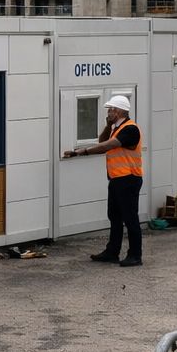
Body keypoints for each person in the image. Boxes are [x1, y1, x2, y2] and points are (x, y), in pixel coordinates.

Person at [63, 94, 144, 268]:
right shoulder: (116, 128)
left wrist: (81, 152)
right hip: (116, 179)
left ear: (121, 110)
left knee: (130, 218)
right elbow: (102, 141)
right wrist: (108, 125)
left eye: (112, 109)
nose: (109, 112)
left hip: (129, 179)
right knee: (114, 217)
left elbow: (107, 146)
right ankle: (112, 252)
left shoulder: (130, 129)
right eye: (109, 109)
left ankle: (135, 255)